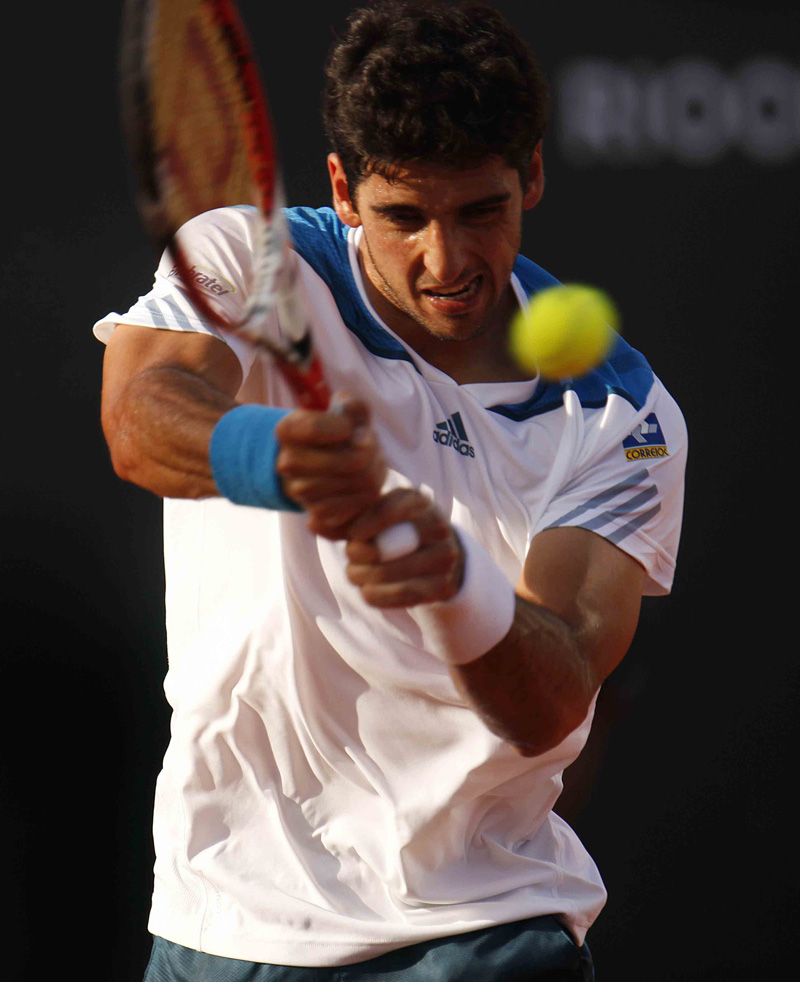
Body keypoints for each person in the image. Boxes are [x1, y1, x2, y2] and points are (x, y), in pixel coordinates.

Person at [96, 2, 686, 979]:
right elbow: (139, 413)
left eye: (479, 211)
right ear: (343, 187)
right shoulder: (253, 259)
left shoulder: (621, 414)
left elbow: (555, 696)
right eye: (403, 217)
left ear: (532, 176)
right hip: (226, 919)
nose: (444, 261)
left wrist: (455, 584)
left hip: (483, 928)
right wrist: (274, 454)